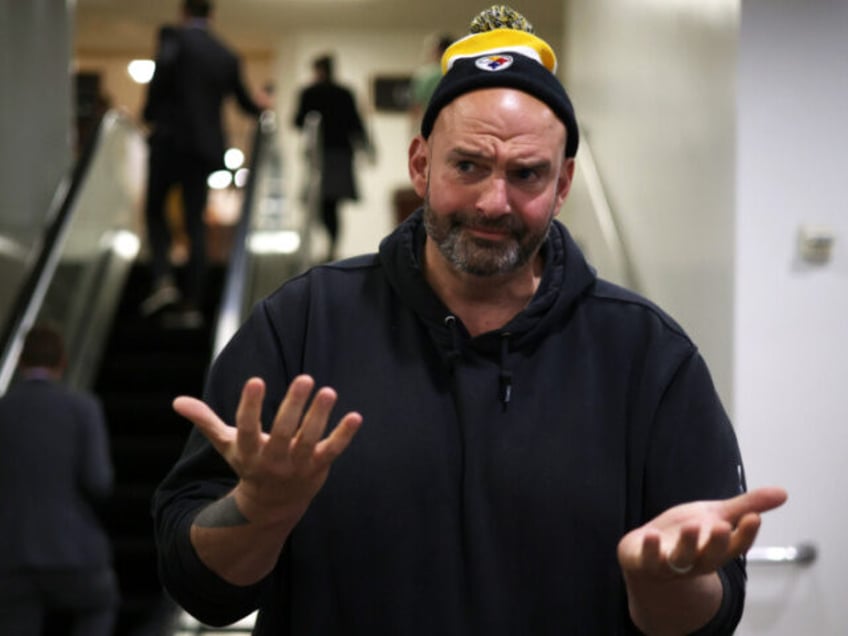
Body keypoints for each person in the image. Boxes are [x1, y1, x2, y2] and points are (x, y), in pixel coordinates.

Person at [153, 6, 787, 635]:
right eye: (468, 166)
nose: (494, 201)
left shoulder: (648, 356)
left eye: (526, 174)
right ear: (421, 165)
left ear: (563, 184)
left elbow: (707, 620)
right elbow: (201, 588)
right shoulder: (302, 323)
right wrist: (260, 512)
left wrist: (665, 584)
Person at [140, 0, 269, 322]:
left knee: (155, 210)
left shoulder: (173, 37)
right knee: (195, 221)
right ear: (211, 16)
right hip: (204, 148)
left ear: (184, 13)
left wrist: (149, 112)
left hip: (170, 140)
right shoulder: (225, 53)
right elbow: (243, 101)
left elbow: (161, 78)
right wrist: (263, 109)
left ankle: (163, 279)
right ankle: (194, 303)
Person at [0, 324, 119, 636]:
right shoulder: (83, 408)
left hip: (9, 553)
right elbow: (99, 481)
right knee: (100, 605)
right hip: (72, 550)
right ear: (63, 362)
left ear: (22, 362)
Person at [293, 54, 372, 262]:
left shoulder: (310, 93)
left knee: (321, 203)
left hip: (320, 155)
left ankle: (330, 247)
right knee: (331, 205)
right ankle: (332, 247)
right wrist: (367, 149)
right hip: (340, 154)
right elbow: (356, 124)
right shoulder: (344, 93)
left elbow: (297, 120)